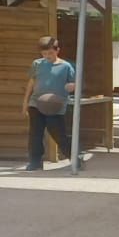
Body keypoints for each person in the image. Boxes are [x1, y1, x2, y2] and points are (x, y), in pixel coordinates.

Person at [20, 34, 75, 170]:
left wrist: (72, 86)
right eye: (44, 53)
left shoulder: (66, 66)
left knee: (59, 133)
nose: (47, 56)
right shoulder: (37, 64)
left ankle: (74, 157)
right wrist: (25, 103)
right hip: (36, 103)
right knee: (35, 134)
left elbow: (73, 84)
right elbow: (31, 82)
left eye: (50, 53)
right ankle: (35, 162)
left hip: (55, 105)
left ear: (57, 50)